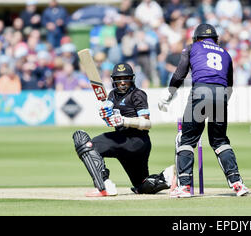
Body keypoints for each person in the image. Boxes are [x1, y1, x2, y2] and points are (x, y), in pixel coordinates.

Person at [158, 23, 249, 198]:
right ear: (215, 39)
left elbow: (179, 73)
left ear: (197, 38)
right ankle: (237, 183)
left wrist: (169, 93)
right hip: (221, 94)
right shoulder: (226, 53)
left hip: (201, 91)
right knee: (220, 141)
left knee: (187, 140)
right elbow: (229, 84)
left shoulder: (192, 48)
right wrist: (220, 102)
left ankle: (184, 187)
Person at [72, 63, 175, 197]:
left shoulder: (137, 94)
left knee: (84, 143)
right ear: (113, 80)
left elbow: (147, 122)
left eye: (125, 78)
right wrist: (106, 116)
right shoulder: (112, 95)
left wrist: (124, 120)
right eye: (119, 79)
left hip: (135, 140)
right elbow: (111, 119)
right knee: (142, 186)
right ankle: (168, 175)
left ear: (131, 79)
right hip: (125, 142)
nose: (122, 83)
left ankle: (104, 185)